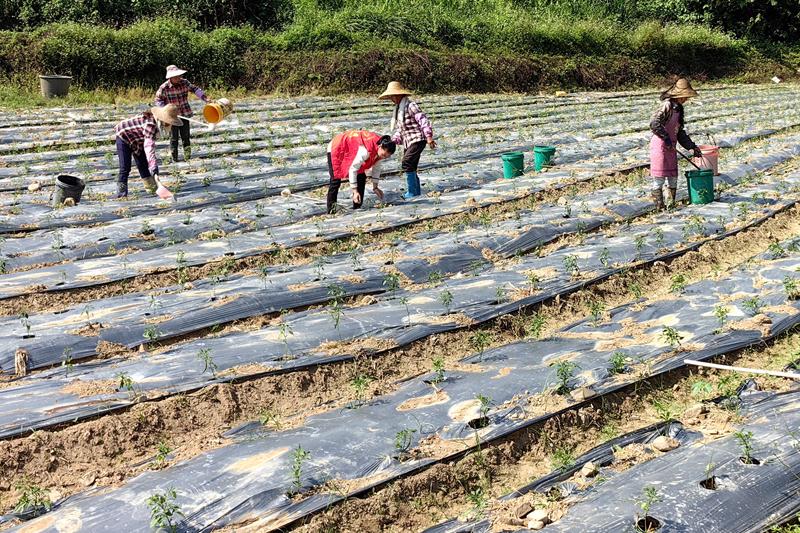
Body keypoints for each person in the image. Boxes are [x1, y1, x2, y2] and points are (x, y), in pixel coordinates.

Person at [649, 78, 702, 209]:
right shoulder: (666, 106)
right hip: (660, 145)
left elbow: (680, 132)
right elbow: (654, 124)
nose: (685, 99)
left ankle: (670, 205)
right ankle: (659, 207)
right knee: (659, 178)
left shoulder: (679, 109)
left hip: (671, 146)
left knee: (673, 177)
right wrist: (666, 138)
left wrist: (692, 147)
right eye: (684, 96)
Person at [379, 81, 436, 199]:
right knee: (412, 165)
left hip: (418, 139)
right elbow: (401, 130)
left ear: (398, 95)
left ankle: (411, 192)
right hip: (408, 142)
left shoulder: (410, 105)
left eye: (392, 96)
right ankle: (416, 192)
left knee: (406, 162)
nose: (391, 99)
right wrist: (394, 140)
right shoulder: (398, 110)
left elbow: (423, 120)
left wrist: (429, 136)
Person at [113, 104, 182, 198]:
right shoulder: (150, 124)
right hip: (123, 136)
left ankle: (152, 189)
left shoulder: (156, 124)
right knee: (125, 167)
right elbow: (149, 147)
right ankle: (121, 194)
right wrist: (154, 167)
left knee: (143, 164)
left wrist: (153, 168)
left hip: (137, 139)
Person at [326, 130, 396, 214]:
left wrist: (375, 187)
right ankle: (331, 210)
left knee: (361, 177)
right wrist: (354, 191)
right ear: (380, 147)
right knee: (335, 180)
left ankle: (357, 207)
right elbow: (353, 169)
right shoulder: (365, 151)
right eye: (384, 155)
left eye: (386, 157)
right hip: (337, 146)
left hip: (352, 148)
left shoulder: (380, 150)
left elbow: (376, 168)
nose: (384, 157)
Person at [155, 65, 209, 162]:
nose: (178, 78)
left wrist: (205, 98)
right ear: (170, 77)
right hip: (172, 117)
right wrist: (164, 109)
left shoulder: (184, 82)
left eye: (179, 75)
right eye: (176, 76)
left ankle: (187, 158)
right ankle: (174, 159)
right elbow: (158, 100)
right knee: (174, 138)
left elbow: (195, 89)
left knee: (186, 137)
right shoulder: (164, 87)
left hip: (184, 113)